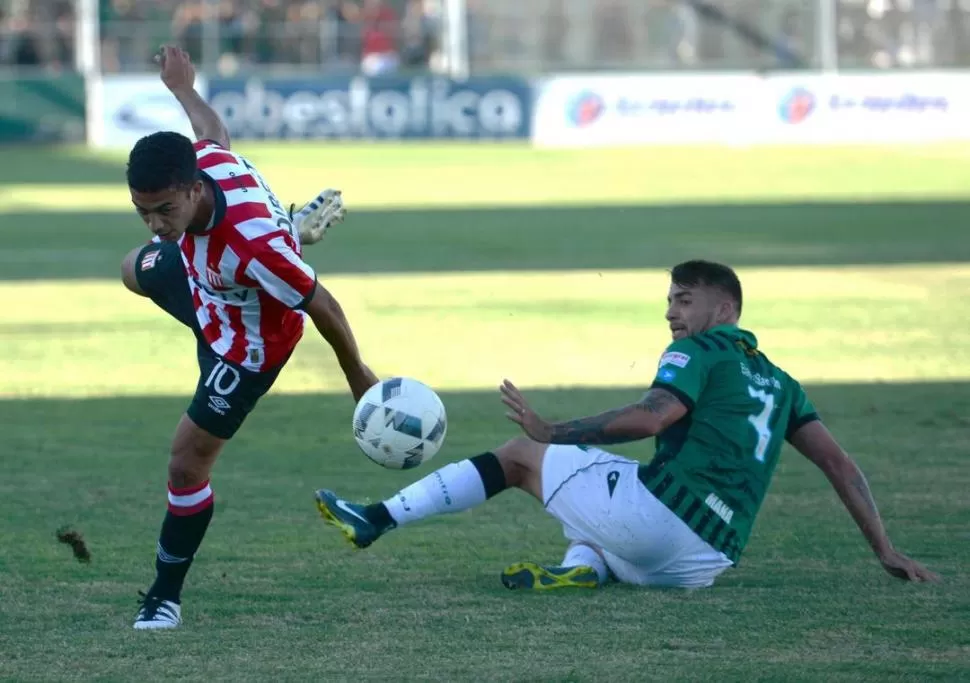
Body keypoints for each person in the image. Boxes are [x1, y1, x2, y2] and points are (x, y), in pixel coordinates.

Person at [314, 260, 939, 590]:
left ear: (725, 309)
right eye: (669, 299)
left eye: (683, 299)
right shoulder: (781, 382)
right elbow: (839, 464)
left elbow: (651, 416)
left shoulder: (702, 350)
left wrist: (550, 429)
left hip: (661, 528)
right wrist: (883, 549)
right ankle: (587, 566)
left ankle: (378, 517)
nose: (670, 312)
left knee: (519, 455)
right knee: (610, 490)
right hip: (706, 563)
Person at [123, 45, 378, 629]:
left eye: (164, 210)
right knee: (130, 267)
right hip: (207, 285)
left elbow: (323, 305)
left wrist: (358, 375)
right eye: (144, 212)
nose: (157, 223)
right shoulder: (208, 164)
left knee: (186, 464)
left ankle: (164, 596)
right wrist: (183, 88)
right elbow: (211, 130)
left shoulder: (251, 246)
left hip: (244, 346)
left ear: (193, 189)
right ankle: (293, 231)